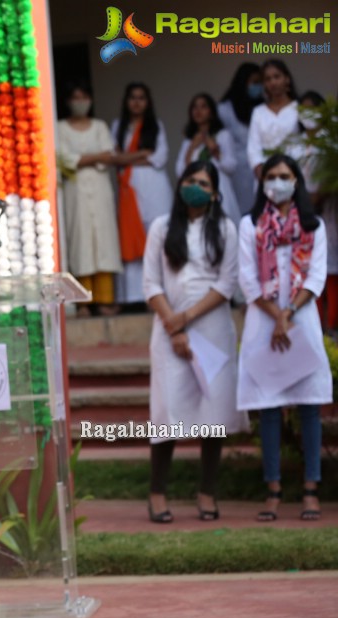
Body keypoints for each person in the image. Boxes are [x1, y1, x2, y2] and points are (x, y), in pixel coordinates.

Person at [143, 160, 246, 523]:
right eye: (190, 180)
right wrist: (173, 324)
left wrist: (185, 319)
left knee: (212, 413)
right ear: (179, 184)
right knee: (166, 410)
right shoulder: (160, 227)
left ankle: (207, 493)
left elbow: (227, 284)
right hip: (168, 328)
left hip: (212, 329)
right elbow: (151, 283)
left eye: (203, 183)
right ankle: (157, 494)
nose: (195, 187)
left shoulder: (226, 229)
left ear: (216, 192)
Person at [236, 154, 331, 522]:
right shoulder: (250, 225)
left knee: (309, 405)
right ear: (263, 182)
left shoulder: (313, 225)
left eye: (285, 176)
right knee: (269, 405)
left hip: (301, 320)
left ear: (297, 181)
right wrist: (275, 315)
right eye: (272, 176)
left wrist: (288, 314)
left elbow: (316, 276)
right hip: (263, 322)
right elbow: (247, 278)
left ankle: (311, 489)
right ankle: (272, 490)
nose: (278, 182)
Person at [55, 83, 123, 311]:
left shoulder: (100, 126)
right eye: (75, 96)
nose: (80, 101)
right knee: (80, 241)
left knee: (104, 241)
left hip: (100, 189)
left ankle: (105, 300)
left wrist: (83, 158)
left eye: (84, 96)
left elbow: (110, 155)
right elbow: (64, 159)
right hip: (75, 191)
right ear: (67, 101)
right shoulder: (60, 127)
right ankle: (83, 303)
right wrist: (95, 157)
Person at [112, 82, 174, 306]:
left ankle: (162, 294)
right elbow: (114, 158)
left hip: (155, 187)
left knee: (158, 237)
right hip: (129, 188)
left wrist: (127, 156)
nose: (137, 102)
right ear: (126, 101)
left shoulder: (155, 125)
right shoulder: (118, 126)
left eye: (141, 98)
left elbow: (159, 157)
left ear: (148, 102)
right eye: (133, 97)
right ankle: (134, 297)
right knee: (132, 239)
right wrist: (140, 154)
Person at [175, 94, 242, 222]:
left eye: (203, 106)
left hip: (219, 188)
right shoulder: (189, 140)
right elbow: (180, 172)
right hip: (195, 190)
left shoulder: (223, 135)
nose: (198, 111)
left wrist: (215, 151)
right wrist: (192, 148)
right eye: (195, 107)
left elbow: (231, 167)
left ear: (211, 112)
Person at [217, 62, 263, 215]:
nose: (258, 87)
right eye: (254, 82)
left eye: (260, 83)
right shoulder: (224, 110)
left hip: (261, 168)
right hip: (236, 171)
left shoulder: (262, 107)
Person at [246, 60, 299, 183]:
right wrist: (261, 171)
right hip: (266, 176)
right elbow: (253, 148)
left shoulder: (298, 108)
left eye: (277, 77)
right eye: (267, 79)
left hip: (294, 172)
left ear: (287, 79)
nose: (273, 82)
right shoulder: (258, 112)